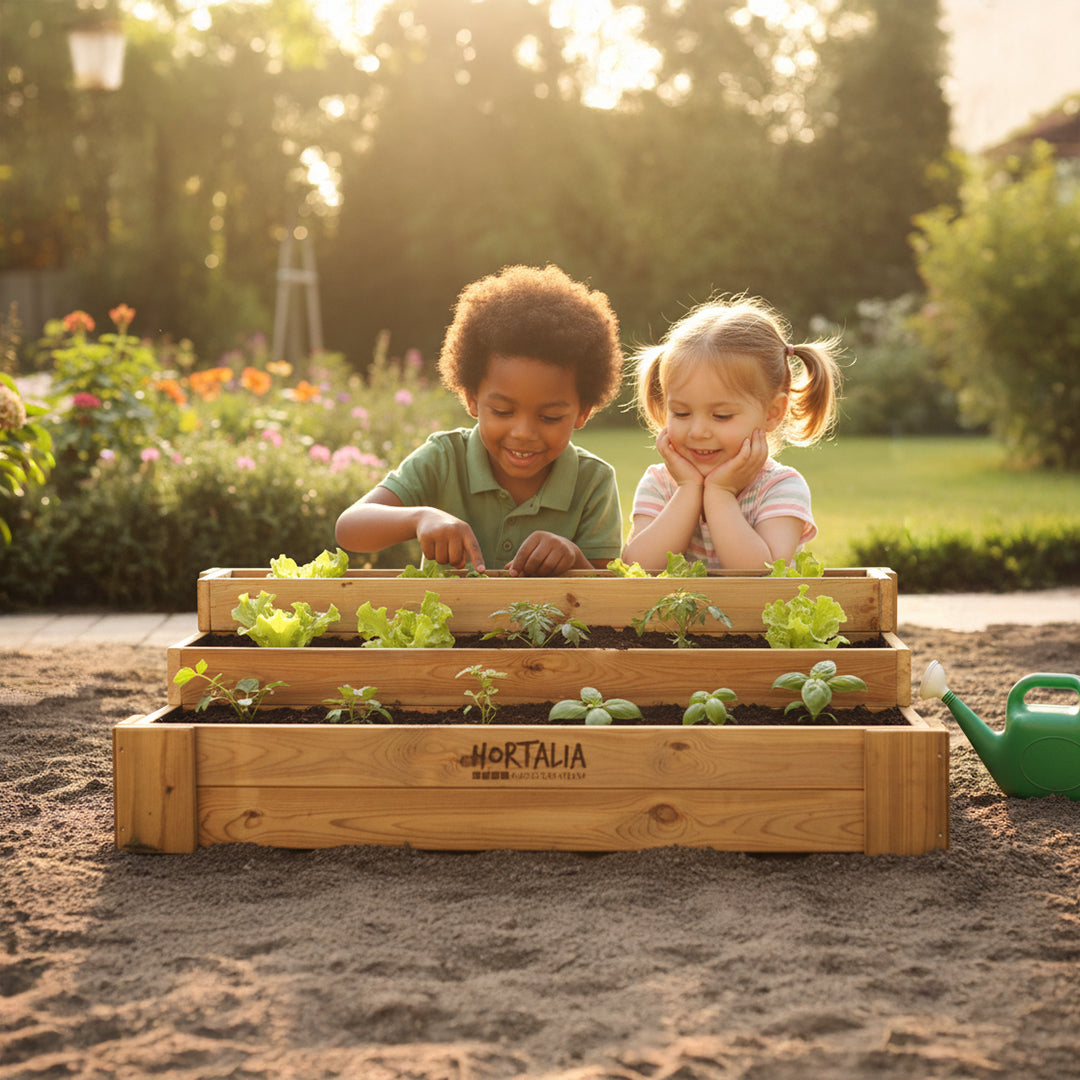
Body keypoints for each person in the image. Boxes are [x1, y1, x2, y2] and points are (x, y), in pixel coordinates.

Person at [335, 264, 625, 576]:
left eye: (550, 416)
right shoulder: (444, 458)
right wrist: (420, 518)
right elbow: (350, 527)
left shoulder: (593, 482)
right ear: (472, 398)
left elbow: (606, 591)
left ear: (584, 411)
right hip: (450, 624)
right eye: (502, 411)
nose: (523, 432)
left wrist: (572, 557)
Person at [621, 295, 842, 571]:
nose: (698, 431)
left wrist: (719, 493)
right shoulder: (660, 484)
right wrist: (689, 489)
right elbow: (637, 568)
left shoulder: (780, 488)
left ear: (772, 413)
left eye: (721, 416)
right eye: (681, 413)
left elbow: (763, 575)